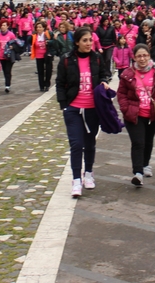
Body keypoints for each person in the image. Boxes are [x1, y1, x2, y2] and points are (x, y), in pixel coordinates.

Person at [56, 27, 111, 197]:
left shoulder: (97, 58)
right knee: (76, 144)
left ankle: (88, 173)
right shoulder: (66, 60)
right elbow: (59, 83)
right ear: (77, 42)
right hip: (73, 108)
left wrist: (103, 81)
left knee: (89, 143)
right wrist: (64, 105)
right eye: (85, 40)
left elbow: (105, 73)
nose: (89, 43)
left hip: (92, 109)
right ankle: (76, 180)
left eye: (90, 40)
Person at [117, 43, 155, 187]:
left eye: (145, 55)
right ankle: (138, 173)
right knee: (138, 142)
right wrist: (125, 108)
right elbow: (121, 93)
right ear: (134, 57)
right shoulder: (127, 74)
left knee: (148, 140)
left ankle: (146, 164)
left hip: (154, 112)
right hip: (134, 113)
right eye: (139, 56)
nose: (142, 59)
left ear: (149, 56)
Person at [0, 21, 17, 93]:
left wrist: (12, 46)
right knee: (4, 71)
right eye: (1, 25)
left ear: (7, 26)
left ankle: (7, 85)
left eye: (4, 25)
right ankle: (7, 83)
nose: (2, 27)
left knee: (8, 70)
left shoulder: (11, 35)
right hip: (1, 56)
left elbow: (15, 44)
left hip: (9, 56)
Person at [31, 21, 54, 92]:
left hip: (47, 55)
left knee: (48, 70)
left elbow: (53, 42)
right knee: (40, 71)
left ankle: (47, 84)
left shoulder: (47, 34)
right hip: (38, 55)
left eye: (40, 27)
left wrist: (49, 42)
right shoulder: (34, 36)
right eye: (37, 27)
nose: (38, 29)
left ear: (44, 28)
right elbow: (31, 42)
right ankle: (41, 85)